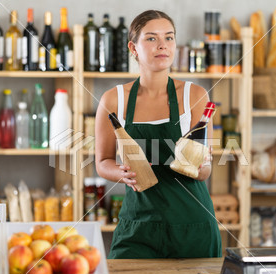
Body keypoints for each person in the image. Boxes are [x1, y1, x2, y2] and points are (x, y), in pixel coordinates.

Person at [95, 10, 222, 259]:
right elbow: (102, 163)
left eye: (169, 37)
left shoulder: (194, 96)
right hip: (138, 227)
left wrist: (200, 163)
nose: (162, 45)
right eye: (151, 38)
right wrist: (122, 173)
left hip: (192, 226)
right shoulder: (113, 99)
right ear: (133, 47)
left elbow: (205, 172)